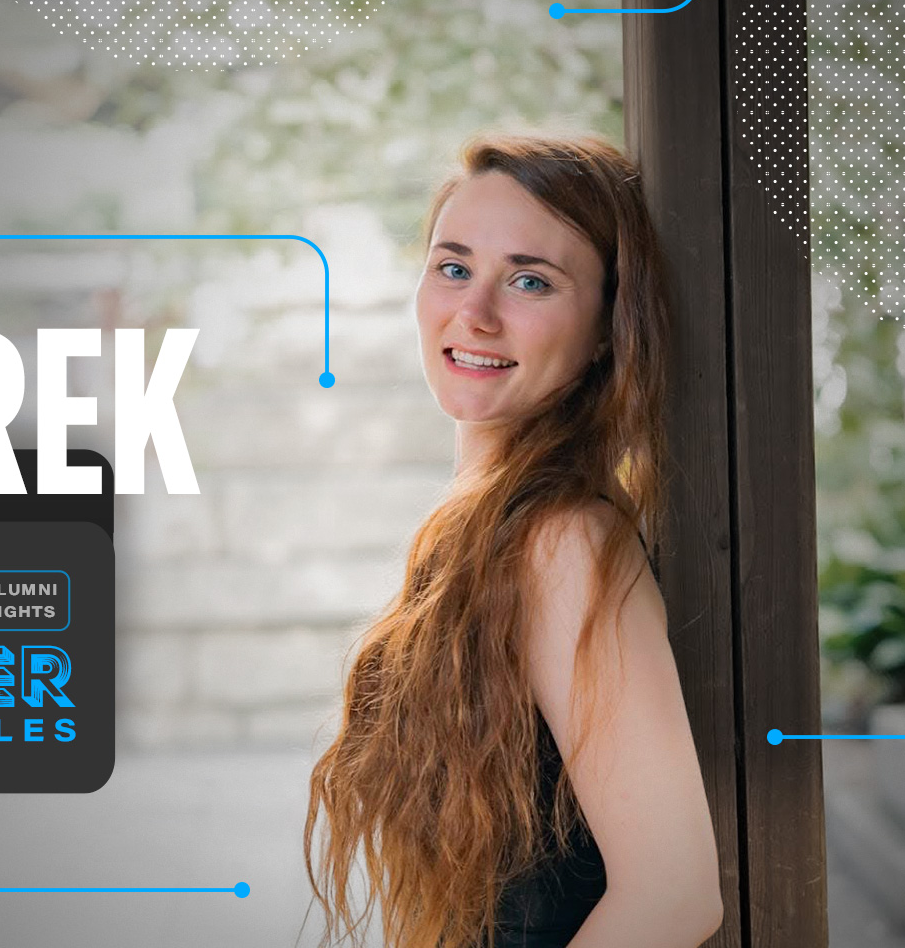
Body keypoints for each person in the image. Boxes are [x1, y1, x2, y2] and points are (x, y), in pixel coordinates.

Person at [304, 134, 724, 948]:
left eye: (531, 280)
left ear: (607, 327)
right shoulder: (486, 529)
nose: (475, 312)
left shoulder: (563, 542)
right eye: (453, 267)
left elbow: (674, 898)